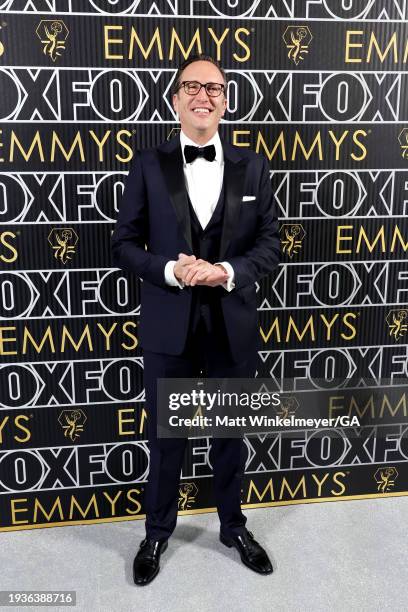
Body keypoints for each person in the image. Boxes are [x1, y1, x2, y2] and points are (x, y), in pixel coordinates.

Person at [111, 53, 280, 586]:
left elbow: (270, 245)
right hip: (169, 325)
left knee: (229, 436)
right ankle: (157, 533)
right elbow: (123, 244)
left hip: (230, 325)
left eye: (214, 87)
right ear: (176, 98)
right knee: (167, 440)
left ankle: (233, 527)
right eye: (192, 86)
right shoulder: (147, 164)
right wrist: (169, 269)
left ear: (225, 100)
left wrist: (226, 270)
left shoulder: (254, 167)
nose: (202, 95)